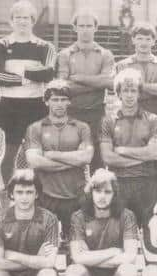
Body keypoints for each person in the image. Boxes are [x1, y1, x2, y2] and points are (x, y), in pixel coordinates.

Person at [0, 0, 56, 185]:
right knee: (6, 155)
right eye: (18, 18)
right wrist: (30, 74)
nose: (22, 21)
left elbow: (48, 73)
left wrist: (17, 71)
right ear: (11, 21)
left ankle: (39, 195)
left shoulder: (45, 46)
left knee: (37, 154)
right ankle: (4, 197)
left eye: (26, 18)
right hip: (8, 106)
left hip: (36, 106)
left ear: (33, 21)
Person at [25, 80, 93, 242]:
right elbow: (34, 162)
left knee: (77, 243)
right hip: (45, 195)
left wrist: (53, 155)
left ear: (69, 101)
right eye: (55, 99)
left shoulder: (82, 127)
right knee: (44, 244)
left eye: (63, 99)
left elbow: (86, 157)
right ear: (47, 101)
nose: (59, 104)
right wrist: (72, 160)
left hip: (76, 195)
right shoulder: (35, 128)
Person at [100, 68, 157, 226]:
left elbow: (155, 153)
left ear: (139, 93)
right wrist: (142, 157)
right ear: (118, 93)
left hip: (146, 182)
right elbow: (108, 158)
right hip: (118, 183)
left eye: (133, 90)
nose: (129, 95)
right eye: (125, 90)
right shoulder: (107, 121)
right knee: (119, 230)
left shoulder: (153, 119)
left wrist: (122, 151)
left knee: (149, 229)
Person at [57, 9, 115, 171]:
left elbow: (108, 83)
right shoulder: (64, 54)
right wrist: (96, 83)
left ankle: (97, 194)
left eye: (89, 25)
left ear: (96, 28)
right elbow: (63, 87)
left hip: (96, 112)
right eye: (81, 25)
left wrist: (78, 78)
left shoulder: (106, 54)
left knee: (97, 159)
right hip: (71, 112)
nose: (85, 29)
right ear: (74, 28)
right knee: (71, 156)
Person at [114, 22, 157, 167]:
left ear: (154, 41)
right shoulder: (122, 65)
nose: (144, 43)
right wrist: (152, 89)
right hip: (130, 116)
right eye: (140, 38)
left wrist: (136, 85)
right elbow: (118, 91)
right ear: (133, 39)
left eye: (148, 39)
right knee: (129, 157)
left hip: (156, 115)